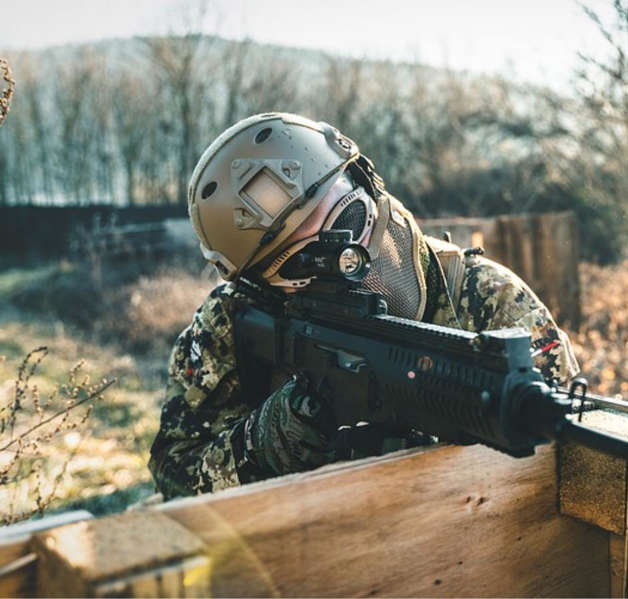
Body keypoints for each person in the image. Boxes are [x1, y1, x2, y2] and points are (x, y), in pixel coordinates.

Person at [149, 112, 579, 499]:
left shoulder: (491, 301)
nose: (346, 253)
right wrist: (262, 444)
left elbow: (567, 460)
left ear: (367, 181)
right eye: (298, 263)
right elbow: (174, 474)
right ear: (260, 285)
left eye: (347, 217)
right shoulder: (232, 317)